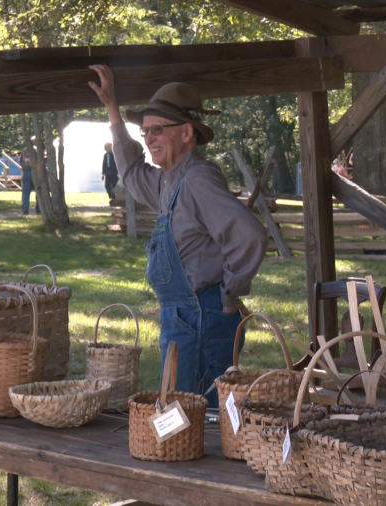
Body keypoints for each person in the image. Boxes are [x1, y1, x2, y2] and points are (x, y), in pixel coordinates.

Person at [89, 65, 268, 408]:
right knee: (181, 424)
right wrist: (112, 109)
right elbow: (130, 170)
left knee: (199, 425)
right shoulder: (167, 182)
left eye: (157, 130)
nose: (149, 138)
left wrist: (229, 298)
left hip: (202, 321)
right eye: (145, 132)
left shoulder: (197, 179)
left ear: (187, 133)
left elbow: (249, 237)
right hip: (182, 321)